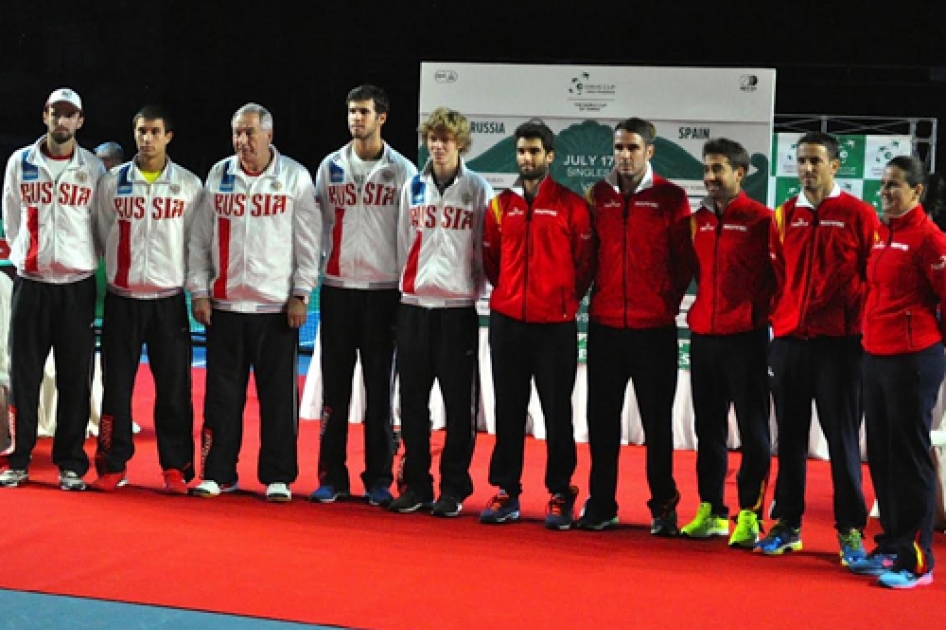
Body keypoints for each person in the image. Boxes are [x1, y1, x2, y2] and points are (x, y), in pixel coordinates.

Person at [187, 103, 321, 502]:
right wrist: (198, 290)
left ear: (269, 135)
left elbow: (309, 244)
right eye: (236, 133)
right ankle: (218, 472)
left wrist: (301, 293)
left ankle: (278, 476)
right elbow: (199, 240)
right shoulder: (218, 175)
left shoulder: (295, 177)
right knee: (221, 398)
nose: (242, 141)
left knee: (279, 398)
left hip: (276, 309)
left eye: (249, 133)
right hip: (225, 307)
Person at [758, 132, 878, 562]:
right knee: (788, 440)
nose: (807, 169)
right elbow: (776, 277)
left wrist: (850, 321)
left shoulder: (860, 215)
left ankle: (850, 530)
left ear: (835, 164)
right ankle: (788, 524)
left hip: (840, 348)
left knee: (842, 441)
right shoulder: (783, 216)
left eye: (815, 161)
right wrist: (782, 322)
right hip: (790, 345)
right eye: (801, 161)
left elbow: (874, 278)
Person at [577, 118, 691, 534]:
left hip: (654, 330)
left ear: (650, 151)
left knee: (658, 426)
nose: (624, 155)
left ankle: (663, 506)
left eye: (632, 148)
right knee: (602, 423)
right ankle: (602, 503)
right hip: (606, 327)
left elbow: (683, 262)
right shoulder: (598, 195)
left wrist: (664, 303)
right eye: (619, 148)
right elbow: (589, 258)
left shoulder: (671, 197)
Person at [479, 119, 593, 530]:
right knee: (508, 410)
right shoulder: (500, 205)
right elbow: (491, 263)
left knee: (557, 412)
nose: (527, 159)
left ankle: (562, 493)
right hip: (508, 323)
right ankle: (507, 490)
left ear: (550, 156)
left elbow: (584, 266)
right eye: (522, 152)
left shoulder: (572, 205)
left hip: (555, 327)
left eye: (535, 152)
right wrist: (510, 294)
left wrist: (561, 299)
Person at [310, 85, 417, 507]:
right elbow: (318, 225)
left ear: (382, 118)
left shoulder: (403, 171)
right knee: (334, 392)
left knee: (378, 391)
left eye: (364, 112)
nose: (356, 118)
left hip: (383, 293)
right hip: (337, 291)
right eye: (351, 111)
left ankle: (378, 479)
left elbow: (409, 234)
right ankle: (330, 477)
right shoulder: (330, 166)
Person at [90, 105, 202, 494]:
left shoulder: (189, 185)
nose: (147, 139)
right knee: (116, 387)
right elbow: (103, 235)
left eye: (155, 132)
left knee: (173, 389)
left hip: (168, 301)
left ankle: (176, 467)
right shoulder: (112, 183)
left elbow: (195, 243)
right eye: (141, 131)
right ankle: (110, 464)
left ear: (168, 136)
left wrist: (196, 290)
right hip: (123, 299)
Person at [387, 107, 493, 517]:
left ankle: (453, 487)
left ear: (460, 144)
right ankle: (416, 485)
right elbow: (402, 241)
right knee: (411, 402)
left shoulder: (478, 189)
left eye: (445, 139)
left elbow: (484, 247)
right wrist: (410, 288)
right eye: (432, 138)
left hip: (456, 311)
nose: (438, 145)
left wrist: (469, 291)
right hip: (414, 307)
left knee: (458, 406)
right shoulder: (412, 187)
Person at [847, 156, 946, 589]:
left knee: (909, 458)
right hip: (876, 355)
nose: (885, 192)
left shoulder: (931, 239)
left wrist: (926, 344)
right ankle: (891, 546)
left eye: (894, 186)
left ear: (917, 191)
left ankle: (917, 558)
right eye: (883, 185)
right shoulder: (881, 236)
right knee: (883, 455)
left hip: (913, 360)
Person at [0, 87, 104, 491]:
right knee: (24, 375)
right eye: (55, 113)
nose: (62, 121)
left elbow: (100, 224)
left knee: (75, 377)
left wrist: (79, 259)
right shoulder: (19, 162)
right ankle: (19, 458)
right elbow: (10, 214)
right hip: (31, 283)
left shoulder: (92, 167)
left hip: (75, 287)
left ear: (80, 120)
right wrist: (28, 255)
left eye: (69, 115)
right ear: (44, 115)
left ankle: (71, 463)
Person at [678, 138, 775, 547]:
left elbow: (778, 280)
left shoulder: (763, 221)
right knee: (709, 429)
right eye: (707, 169)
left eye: (719, 169)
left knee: (754, 432)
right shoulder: (697, 220)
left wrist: (761, 317)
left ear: (739, 173)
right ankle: (712, 509)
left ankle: (749, 514)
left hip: (747, 340)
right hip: (705, 338)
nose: (710, 177)